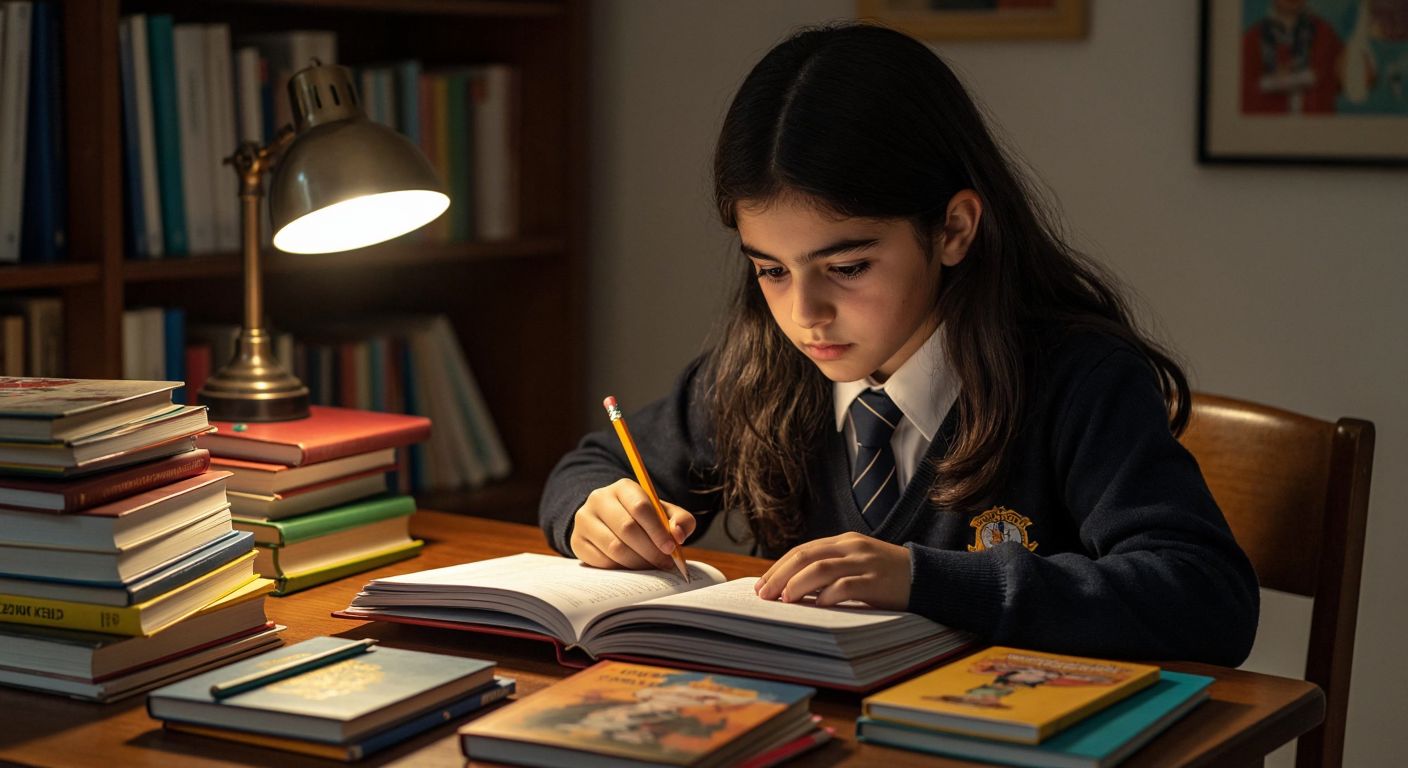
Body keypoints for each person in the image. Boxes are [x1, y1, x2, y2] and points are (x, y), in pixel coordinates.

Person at [539, 23, 1259, 666]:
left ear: (953, 230)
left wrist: (923, 578)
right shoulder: (763, 372)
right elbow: (593, 462)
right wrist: (593, 512)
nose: (804, 313)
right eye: (769, 269)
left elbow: (1207, 599)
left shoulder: (1077, 380)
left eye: (847, 268)